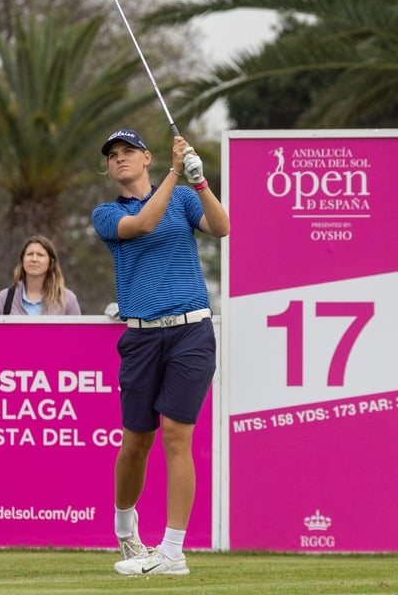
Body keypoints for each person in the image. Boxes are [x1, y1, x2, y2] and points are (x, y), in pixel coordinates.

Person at [92, 128, 229, 576]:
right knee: (136, 442)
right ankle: (125, 526)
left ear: (145, 156)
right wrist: (174, 172)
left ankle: (172, 553)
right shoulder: (107, 214)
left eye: (127, 151)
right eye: (112, 155)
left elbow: (223, 227)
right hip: (142, 336)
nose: (120, 159)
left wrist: (200, 182)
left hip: (191, 330)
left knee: (176, 435)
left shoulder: (185, 199)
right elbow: (144, 224)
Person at [0, 235, 82, 315]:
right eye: (29, 254)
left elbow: (79, 334)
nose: (34, 259)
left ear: (51, 262)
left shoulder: (68, 299)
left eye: (40, 255)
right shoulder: (4, 298)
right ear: (22, 260)